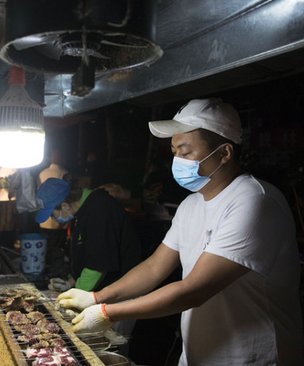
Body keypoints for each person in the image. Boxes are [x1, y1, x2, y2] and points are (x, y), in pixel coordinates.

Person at [55, 98, 304, 365]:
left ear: (225, 152)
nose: (177, 161)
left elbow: (192, 290)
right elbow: (153, 268)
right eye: (174, 152)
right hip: (199, 354)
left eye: (185, 153)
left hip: (252, 357)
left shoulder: (254, 200)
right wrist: (95, 296)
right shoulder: (191, 203)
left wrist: (107, 313)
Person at [36, 178, 142, 293]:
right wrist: (71, 282)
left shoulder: (100, 210)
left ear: (65, 206)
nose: (54, 219)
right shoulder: (83, 210)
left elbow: (98, 262)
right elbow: (87, 253)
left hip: (123, 289)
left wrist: (76, 293)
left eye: (52, 214)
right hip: (103, 288)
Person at [37, 149, 70, 278]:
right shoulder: (64, 174)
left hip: (44, 219)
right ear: (62, 158)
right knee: (57, 249)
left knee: (45, 248)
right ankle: (53, 275)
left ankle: (43, 271)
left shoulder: (42, 173)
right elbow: (66, 199)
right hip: (58, 220)